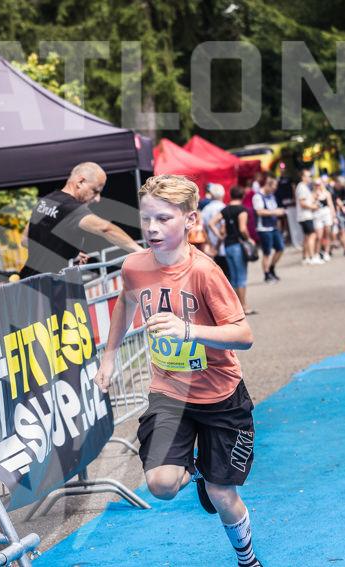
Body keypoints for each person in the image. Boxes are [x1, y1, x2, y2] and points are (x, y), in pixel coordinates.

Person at [94, 174, 261, 567]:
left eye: (164, 219)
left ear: (190, 220)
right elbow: (126, 303)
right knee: (161, 485)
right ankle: (197, 470)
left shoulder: (205, 272)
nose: (152, 228)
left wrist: (188, 330)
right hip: (169, 392)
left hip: (220, 396)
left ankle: (247, 559)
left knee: (222, 495)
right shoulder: (135, 266)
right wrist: (109, 356)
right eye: (146, 218)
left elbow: (244, 335)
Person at [19, 162, 141, 278]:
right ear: (80, 182)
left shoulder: (46, 201)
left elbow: (25, 240)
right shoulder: (72, 208)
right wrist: (139, 251)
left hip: (28, 280)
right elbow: (105, 229)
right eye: (95, 191)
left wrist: (66, 254)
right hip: (52, 285)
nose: (97, 199)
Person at [209, 186, 257, 315]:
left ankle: (236, 307)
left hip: (228, 246)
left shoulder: (225, 209)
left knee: (234, 278)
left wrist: (219, 236)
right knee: (241, 277)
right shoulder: (242, 209)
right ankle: (244, 306)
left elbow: (211, 223)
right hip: (238, 245)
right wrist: (249, 239)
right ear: (242, 196)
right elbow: (242, 228)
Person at [252, 177, 285, 283]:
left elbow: (273, 208)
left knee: (280, 248)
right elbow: (259, 212)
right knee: (267, 252)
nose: (273, 190)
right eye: (273, 188)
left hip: (273, 226)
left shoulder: (271, 196)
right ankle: (266, 274)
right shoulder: (258, 196)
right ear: (267, 185)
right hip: (264, 228)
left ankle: (271, 268)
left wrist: (279, 212)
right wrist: (275, 212)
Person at [201, 183, 231, 282]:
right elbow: (223, 229)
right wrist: (217, 245)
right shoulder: (224, 208)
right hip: (223, 246)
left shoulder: (206, 209)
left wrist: (210, 243)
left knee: (215, 277)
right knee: (227, 277)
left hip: (211, 246)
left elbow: (203, 229)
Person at [295, 170, 322, 265]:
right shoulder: (301, 187)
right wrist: (313, 207)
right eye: (308, 176)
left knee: (307, 236)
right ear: (303, 177)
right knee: (312, 235)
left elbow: (306, 200)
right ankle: (312, 257)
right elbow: (302, 203)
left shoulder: (303, 187)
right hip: (305, 216)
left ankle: (305, 257)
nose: (310, 178)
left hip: (305, 216)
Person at [330, 176, 345, 256]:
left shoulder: (343, 189)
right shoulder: (330, 188)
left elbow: (344, 199)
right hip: (331, 212)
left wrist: (344, 208)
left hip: (339, 212)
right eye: (340, 185)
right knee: (331, 232)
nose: (341, 187)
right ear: (337, 182)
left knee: (343, 230)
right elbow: (336, 199)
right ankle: (328, 250)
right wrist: (343, 207)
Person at [312, 178, 336, 262]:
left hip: (326, 214)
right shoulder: (313, 194)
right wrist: (316, 197)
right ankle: (316, 254)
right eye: (316, 185)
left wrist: (333, 216)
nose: (318, 186)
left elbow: (331, 205)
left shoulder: (327, 193)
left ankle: (326, 252)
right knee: (319, 236)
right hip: (317, 215)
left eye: (319, 184)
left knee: (327, 234)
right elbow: (312, 205)